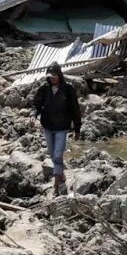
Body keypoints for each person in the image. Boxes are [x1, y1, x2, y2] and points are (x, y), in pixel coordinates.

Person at [30, 63, 82, 196]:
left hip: (62, 127)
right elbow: (36, 104)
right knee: (53, 156)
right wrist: (33, 115)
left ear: (60, 75)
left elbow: (75, 109)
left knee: (58, 155)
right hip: (48, 126)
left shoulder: (68, 89)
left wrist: (77, 129)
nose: (52, 79)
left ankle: (56, 185)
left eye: (55, 76)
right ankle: (62, 177)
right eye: (50, 77)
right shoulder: (44, 89)